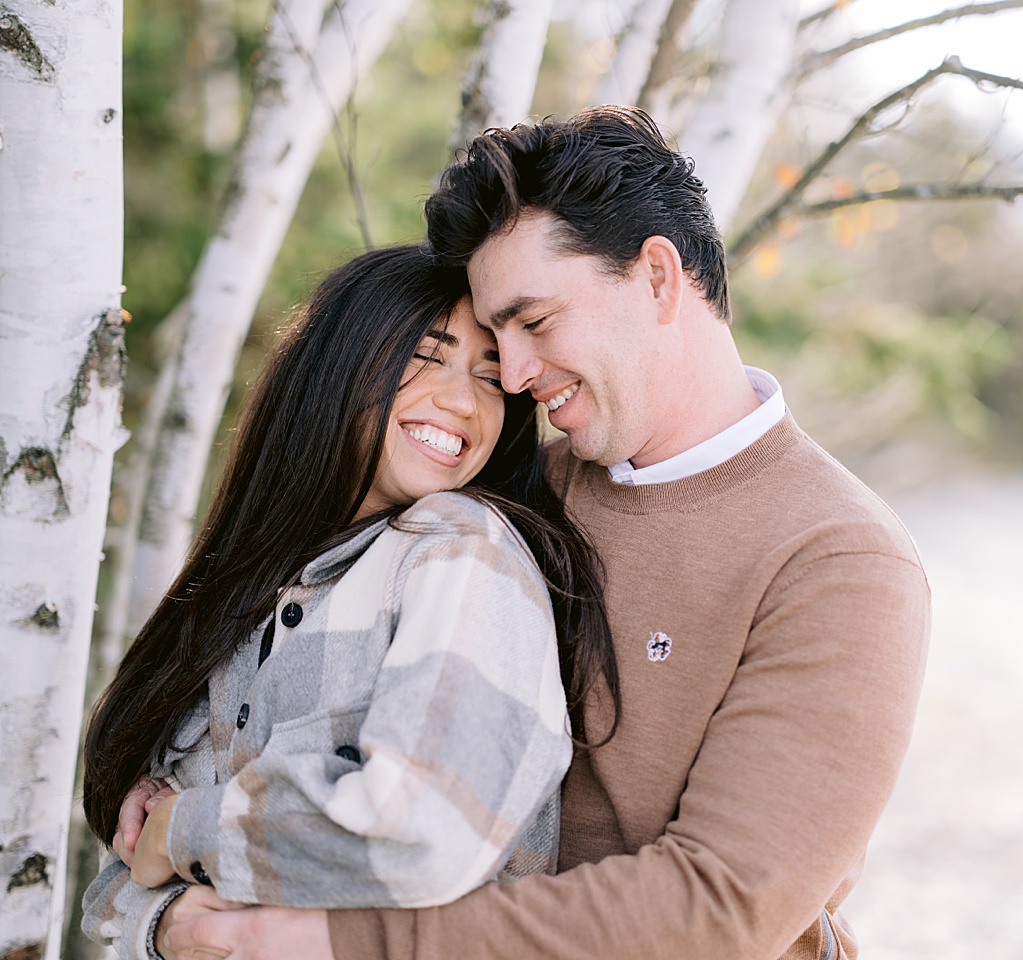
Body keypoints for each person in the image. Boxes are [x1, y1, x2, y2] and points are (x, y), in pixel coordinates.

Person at [160, 105, 932, 960]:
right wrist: (180, 817)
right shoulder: (514, 486)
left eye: (534, 322)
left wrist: (332, 941)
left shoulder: (841, 560)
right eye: (497, 340)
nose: (515, 378)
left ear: (658, 277)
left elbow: (717, 909)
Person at [79, 245, 619, 959]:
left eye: (491, 380)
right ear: (340, 361)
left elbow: (424, 831)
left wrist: (182, 834)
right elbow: (113, 890)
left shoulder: (461, 548)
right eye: (427, 356)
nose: (464, 401)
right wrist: (167, 923)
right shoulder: (244, 589)